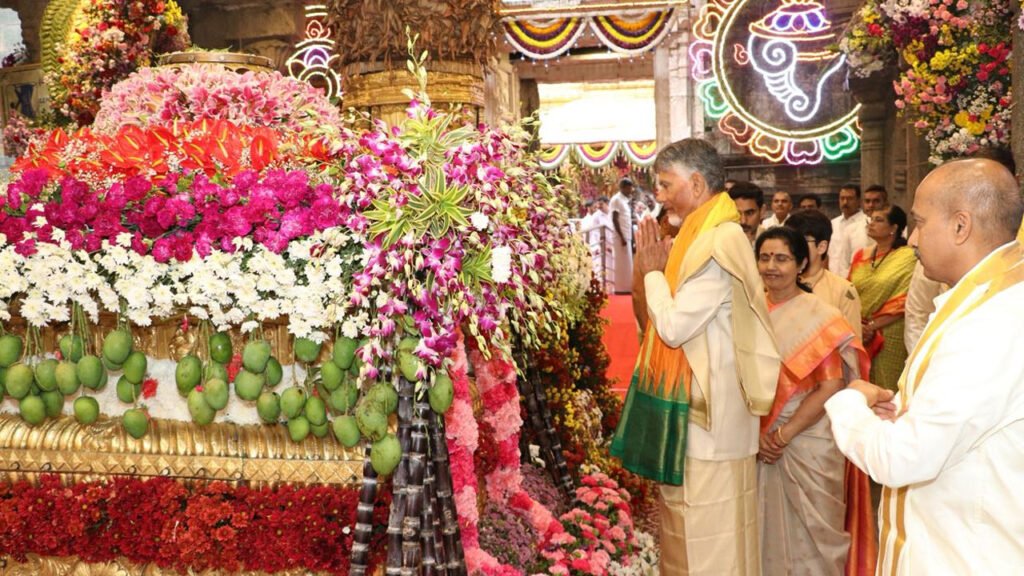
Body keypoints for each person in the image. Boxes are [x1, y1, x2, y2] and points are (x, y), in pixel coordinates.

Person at [825, 158, 1024, 575]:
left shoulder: (990, 320)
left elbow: (902, 459)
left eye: (919, 222)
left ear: (960, 226)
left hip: (967, 555)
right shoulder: (991, 291)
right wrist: (905, 410)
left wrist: (847, 403)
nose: (912, 238)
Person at [611, 138, 780, 576]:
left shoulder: (715, 244)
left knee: (713, 543)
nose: (660, 195)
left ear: (698, 183)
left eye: (666, 185)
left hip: (713, 423)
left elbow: (672, 327)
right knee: (686, 530)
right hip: (698, 416)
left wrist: (650, 274)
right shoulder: (699, 233)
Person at [754, 226, 871, 576]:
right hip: (756, 437)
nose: (771, 266)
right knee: (762, 531)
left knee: (813, 537)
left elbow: (830, 384)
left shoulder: (820, 315)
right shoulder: (748, 311)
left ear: (801, 263)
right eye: (764, 257)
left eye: (782, 258)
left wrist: (781, 435)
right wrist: (759, 434)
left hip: (807, 440)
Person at [849, 205, 915, 391]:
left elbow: (905, 298)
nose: (872, 224)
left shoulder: (908, 257)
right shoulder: (860, 255)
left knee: (888, 389)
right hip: (859, 331)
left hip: (890, 332)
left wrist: (872, 327)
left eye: (879, 220)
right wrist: (858, 325)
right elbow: (849, 292)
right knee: (862, 386)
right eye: (871, 219)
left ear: (894, 228)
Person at [786, 209, 863, 341]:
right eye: (788, 242)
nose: (793, 249)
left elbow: (852, 346)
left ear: (821, 247)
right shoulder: (778, 285)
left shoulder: (842, 290)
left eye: (801, 242)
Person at [829, 184, 871, 280]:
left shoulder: (867, 223)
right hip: (832, 279)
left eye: (850, 198)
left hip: (857, 279)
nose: (845, 202)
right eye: (842, 198)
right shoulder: (833, 224)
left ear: (859, 201)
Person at [609, 178, 635, 294]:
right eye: (629, 187)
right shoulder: (616, 200)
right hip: (620, 237)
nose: (631, 190)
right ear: (623, 188)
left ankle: (627, 287)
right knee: (621, 264)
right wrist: (622, 237)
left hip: (627, 235)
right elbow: (615, 219)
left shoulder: (625, 200)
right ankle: (620, 289)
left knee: (628, 263)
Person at [729, 181, 765, 246]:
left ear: (762, 211)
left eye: (750, 213)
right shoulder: (719, 244)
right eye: (737, 214)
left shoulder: (771, 242)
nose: (743, 221)